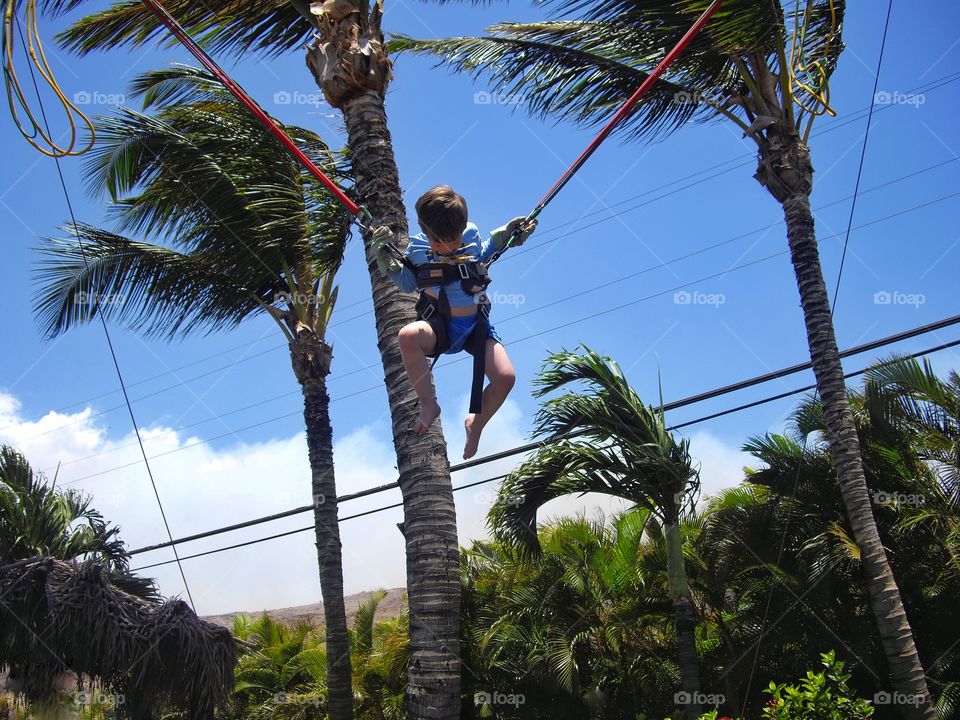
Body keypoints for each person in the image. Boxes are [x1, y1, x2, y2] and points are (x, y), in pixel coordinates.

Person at [371, 185, 536, 460]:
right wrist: (386, 258)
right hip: (440, 328)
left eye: (454, 240)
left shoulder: (470, 234)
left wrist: (511, 233)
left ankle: (477, 423)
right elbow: (408, 282)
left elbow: (487, 250)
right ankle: (428, 404)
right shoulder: (417, 249)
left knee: (506, 377)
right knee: (407, 336)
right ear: (425, 231)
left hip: (475, 328)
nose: (447, 247)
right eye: (439, 242)